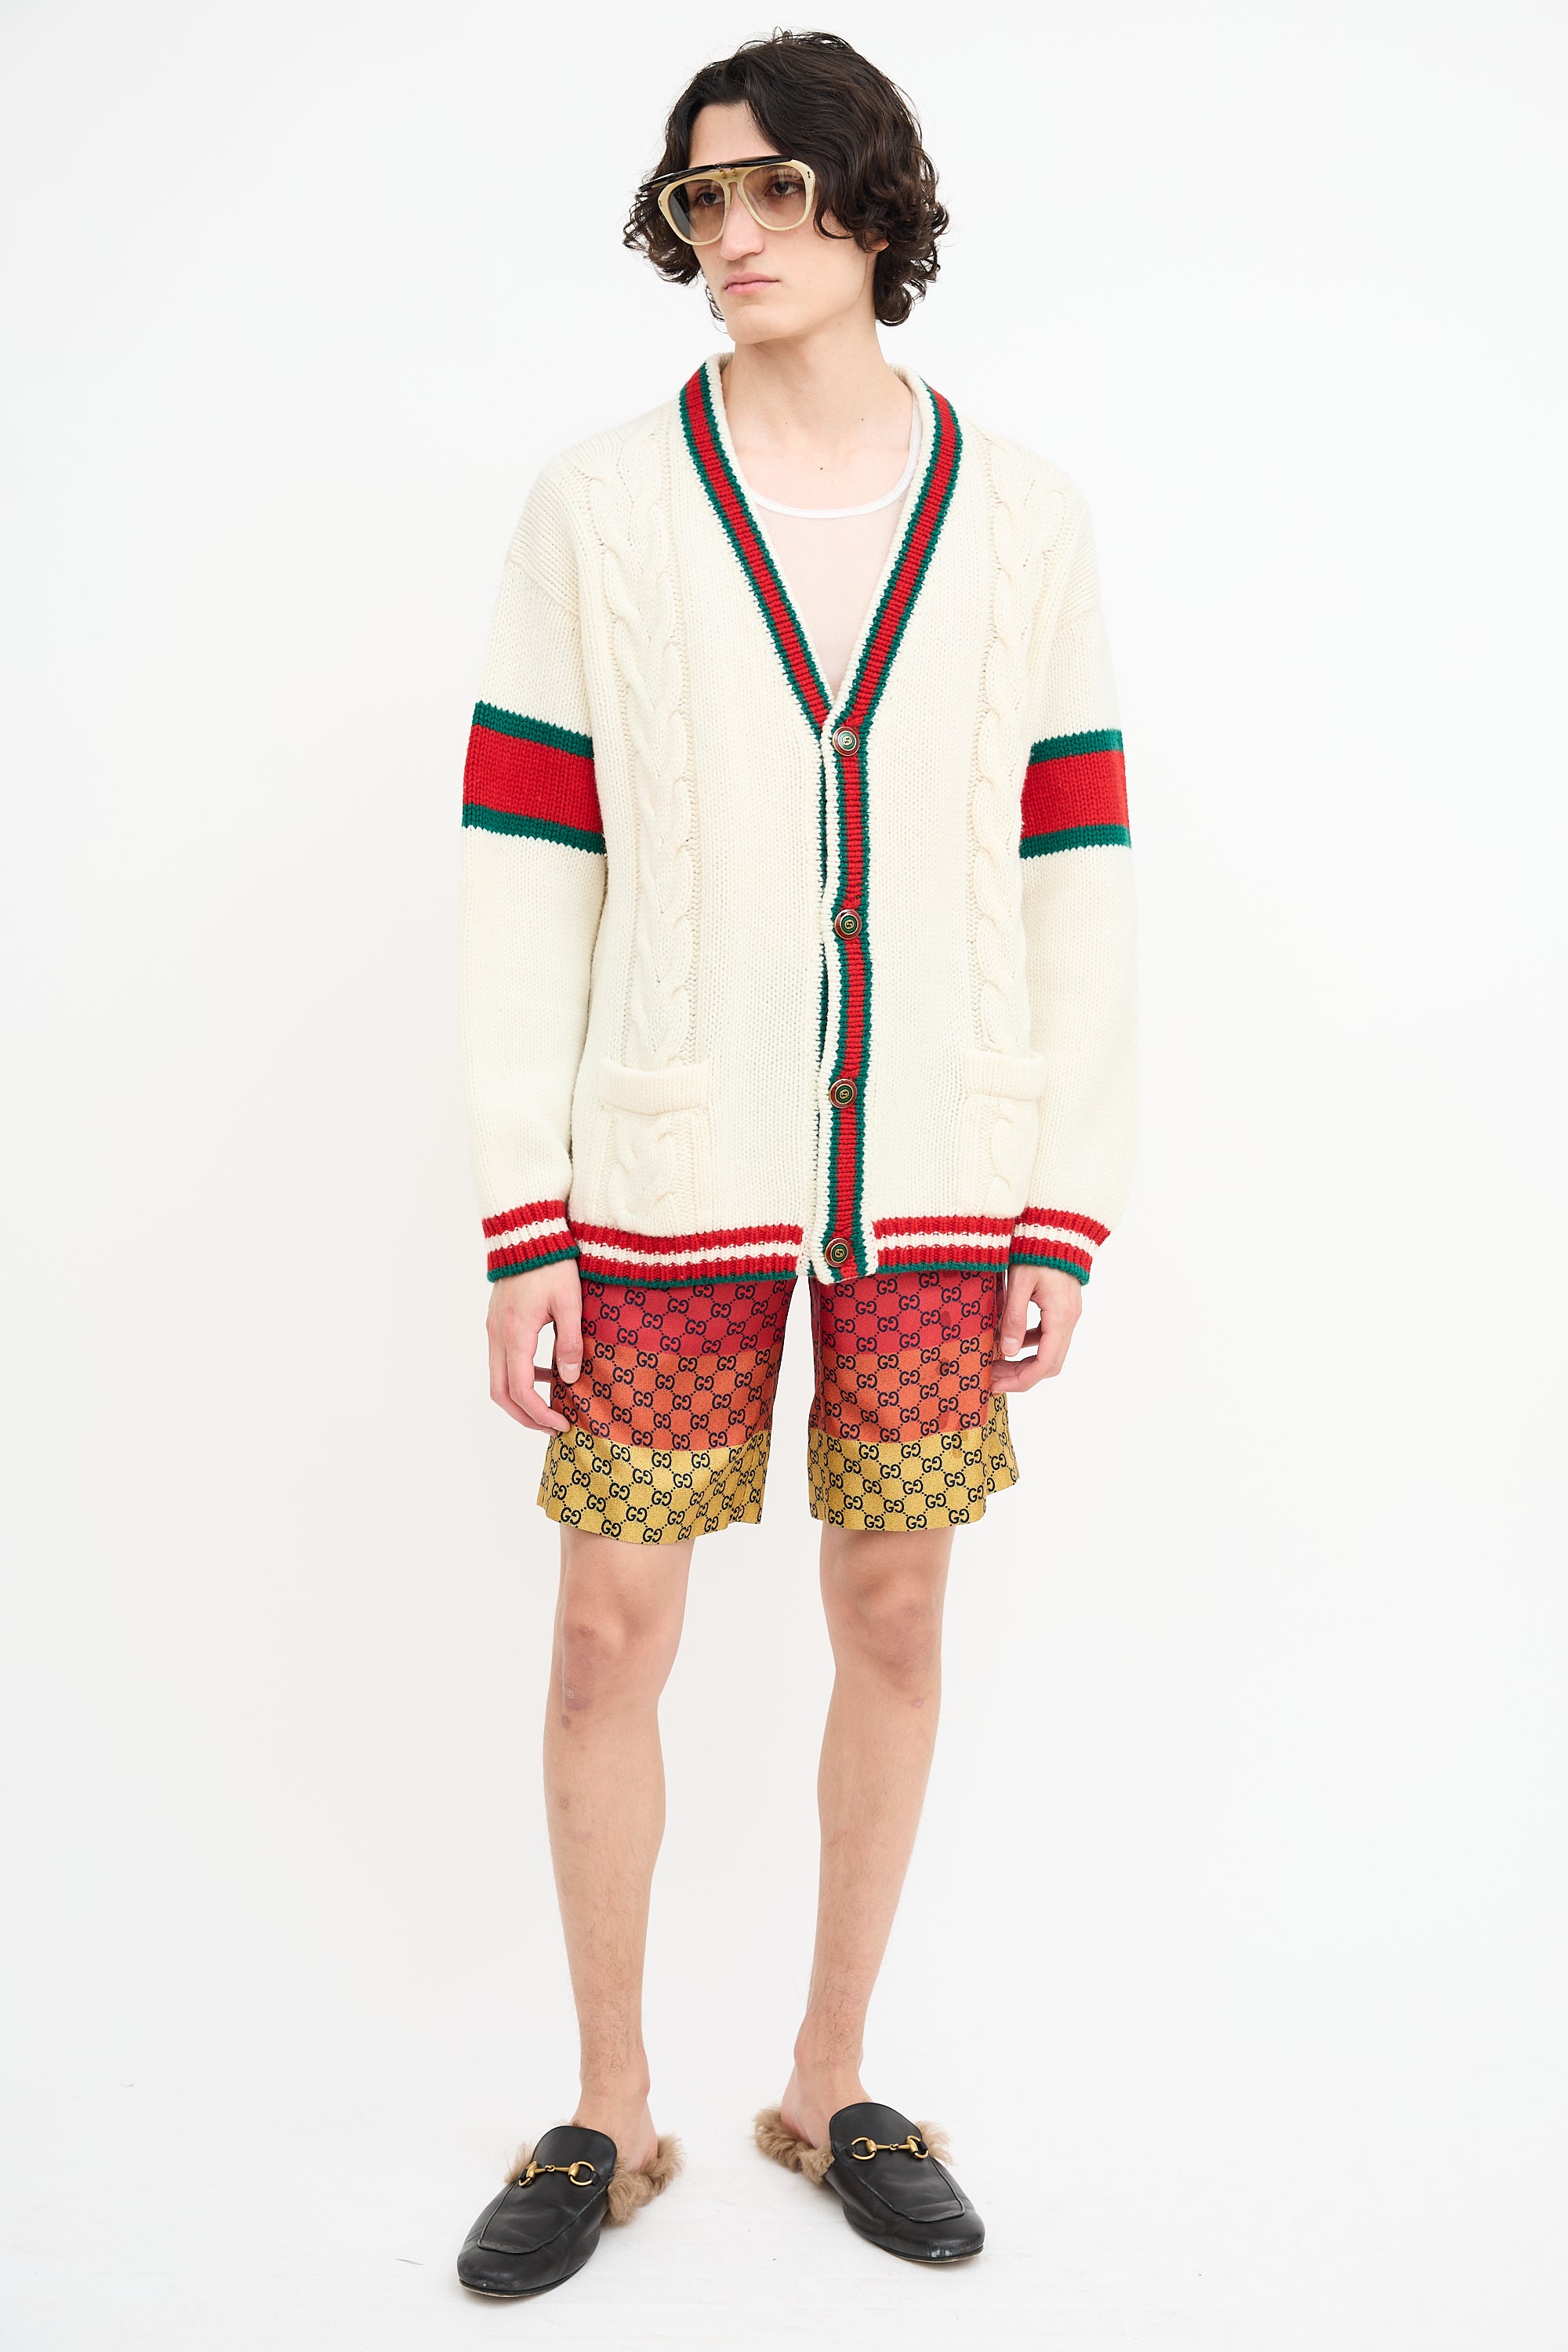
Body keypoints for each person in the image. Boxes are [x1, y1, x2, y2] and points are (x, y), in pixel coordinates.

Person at [452, 28, 1136, 2299]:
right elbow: (526, 869)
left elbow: (1074, 869)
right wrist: (522, 1218)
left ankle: (835, 2079)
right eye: (699, 200)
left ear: (870, 203)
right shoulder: (601, 508)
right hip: (660, 1185)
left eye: (771, 190)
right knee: (604, 1637)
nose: (730, 235)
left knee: (897, 1610)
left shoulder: (1019, 516)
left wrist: (1066, 1198)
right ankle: (606, 2105)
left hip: (941, 1173)